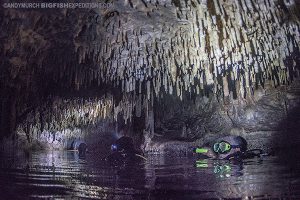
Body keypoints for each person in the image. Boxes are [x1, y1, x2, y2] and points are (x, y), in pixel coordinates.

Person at [194, 135, 265, 160]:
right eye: (217, 146)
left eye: (223, 146)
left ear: (237, 149)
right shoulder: (218, 154)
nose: (218, 151)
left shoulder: (235, 161)